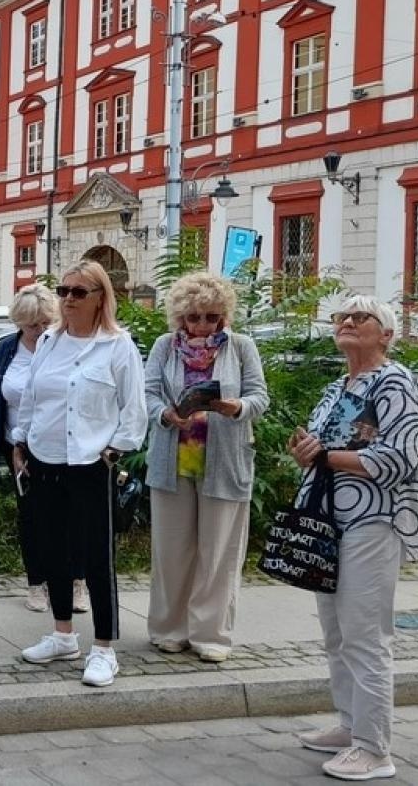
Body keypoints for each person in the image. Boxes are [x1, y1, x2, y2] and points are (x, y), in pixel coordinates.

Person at [289, 296, 418, 781]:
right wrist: (305, 449)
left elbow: (395, 459)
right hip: (330, 519)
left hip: (374, 521)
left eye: (361, 317)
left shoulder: (396, 382)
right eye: (342, 317)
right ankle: (352, 724)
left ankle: (375, 749)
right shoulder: (340, 385)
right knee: (336, 633)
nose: (348, 322)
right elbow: (320, 447)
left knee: (366, 636)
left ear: (387, 334)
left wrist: (325, 455)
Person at [11, 260, 146, 688]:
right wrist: (21, 442)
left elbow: (134, 407)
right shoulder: (49, 340)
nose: (68, 299)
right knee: (52, 550)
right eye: (64, 290)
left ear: (100, 298)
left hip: (90, 463)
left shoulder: (117, 346)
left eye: (78, 292)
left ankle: (104, 647)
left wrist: (115, 449)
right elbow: (32, 397)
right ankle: (62, 633)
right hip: (45, 458)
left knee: (95, 556)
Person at [143, 272, 268, 663]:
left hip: (225, 460)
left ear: (224, 316)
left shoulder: (241, 347)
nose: (202, 325)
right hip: (172, 459)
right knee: (171, 551)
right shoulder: (164, 347)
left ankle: (211, 634)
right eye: (195, 317)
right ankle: (169, 629)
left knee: (219, 553)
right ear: (181, 316)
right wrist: (165, 414)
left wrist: (238, 407)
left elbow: (260, 396)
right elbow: (145, 395)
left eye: (212, 317)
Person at [0, 284, 60, 612]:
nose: (41, 330)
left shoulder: (64, 346)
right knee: (30, 515)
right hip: (14, 443)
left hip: (58, 443)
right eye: (33, 324)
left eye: (46, 322)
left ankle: (75, 581)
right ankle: (36, 583)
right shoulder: (7, 351)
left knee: (66, 514)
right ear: (19, 323)